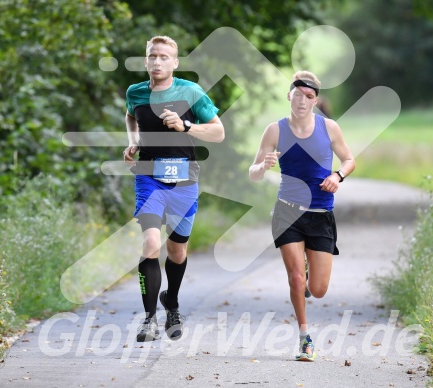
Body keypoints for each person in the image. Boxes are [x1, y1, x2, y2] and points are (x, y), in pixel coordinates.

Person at [123, 36, 225, 342]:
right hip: (149, 175)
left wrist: (186, 127)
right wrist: (132, 140)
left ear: (175, 62)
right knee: (151, 244)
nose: (157, 62)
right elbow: (130, 115)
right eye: (152, 56)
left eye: (164, 57)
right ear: (145, 61)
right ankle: (149, 319)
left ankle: (173, 303)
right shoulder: (135, 92)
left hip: (184, 180)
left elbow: (219, 132)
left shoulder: (190, 92)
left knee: (177, 251)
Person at [248, 71, 355, 362]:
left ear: (315, 100)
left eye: (309, 96)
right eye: (298, 94)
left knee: (317, 290)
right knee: (296, 278)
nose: (303, 100)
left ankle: (308, 275)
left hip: (321, 213)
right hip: (287, 212)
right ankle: (304, 338)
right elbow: (254, 172)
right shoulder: (275, 130)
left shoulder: (329, 127)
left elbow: (349, 159)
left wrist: (338, 175)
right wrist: (264, 166)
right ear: (289, 95)